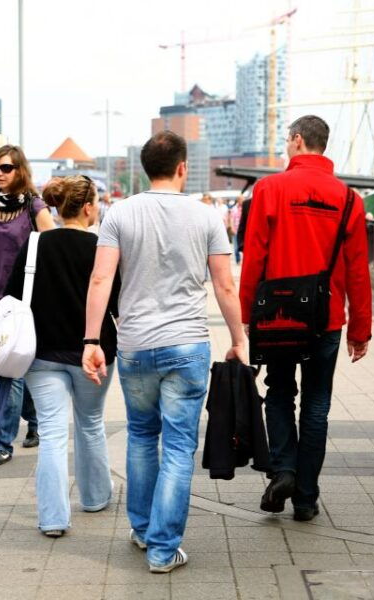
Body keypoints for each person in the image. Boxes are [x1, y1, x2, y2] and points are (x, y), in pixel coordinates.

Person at [82, 131, 247, 573]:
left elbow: (100, 280)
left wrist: (92, 341)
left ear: (144, 168)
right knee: (177, 447)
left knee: (140, 437)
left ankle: (141, 530)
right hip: (187, 345)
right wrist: (239, 338)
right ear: (182, 168)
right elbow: (224, 284)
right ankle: (162, 548)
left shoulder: (119, 213)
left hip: (136, 345)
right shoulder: (207, 216)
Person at [239, 115, 373, 521]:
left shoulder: (269, 189)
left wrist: (248, 313)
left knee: (279, 393)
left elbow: (254, 256)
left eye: (286, 140)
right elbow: (357, 269)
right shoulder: (349, 199)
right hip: (326, 319)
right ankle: (306, 498)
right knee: (316, 407)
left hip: (278, 316)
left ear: (297, 141)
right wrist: (360, 330)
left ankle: (284, 470)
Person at [5, 175, 120, 538]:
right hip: (94, 350)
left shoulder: (36, 244)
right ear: (88, 208)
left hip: (41, 352)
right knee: (90, 423)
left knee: (53, 432)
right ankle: (96, 497)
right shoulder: (103, 246)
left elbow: (12, 296)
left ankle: (53, 518)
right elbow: (116, 301)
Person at [0, 145, 55, 466]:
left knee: (10, 371)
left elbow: (54, 245)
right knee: (17, 366)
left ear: (20, 170)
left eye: (6, 167)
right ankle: (35, 424)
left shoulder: (34, 206)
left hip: (25, 301)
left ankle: (2, 442)